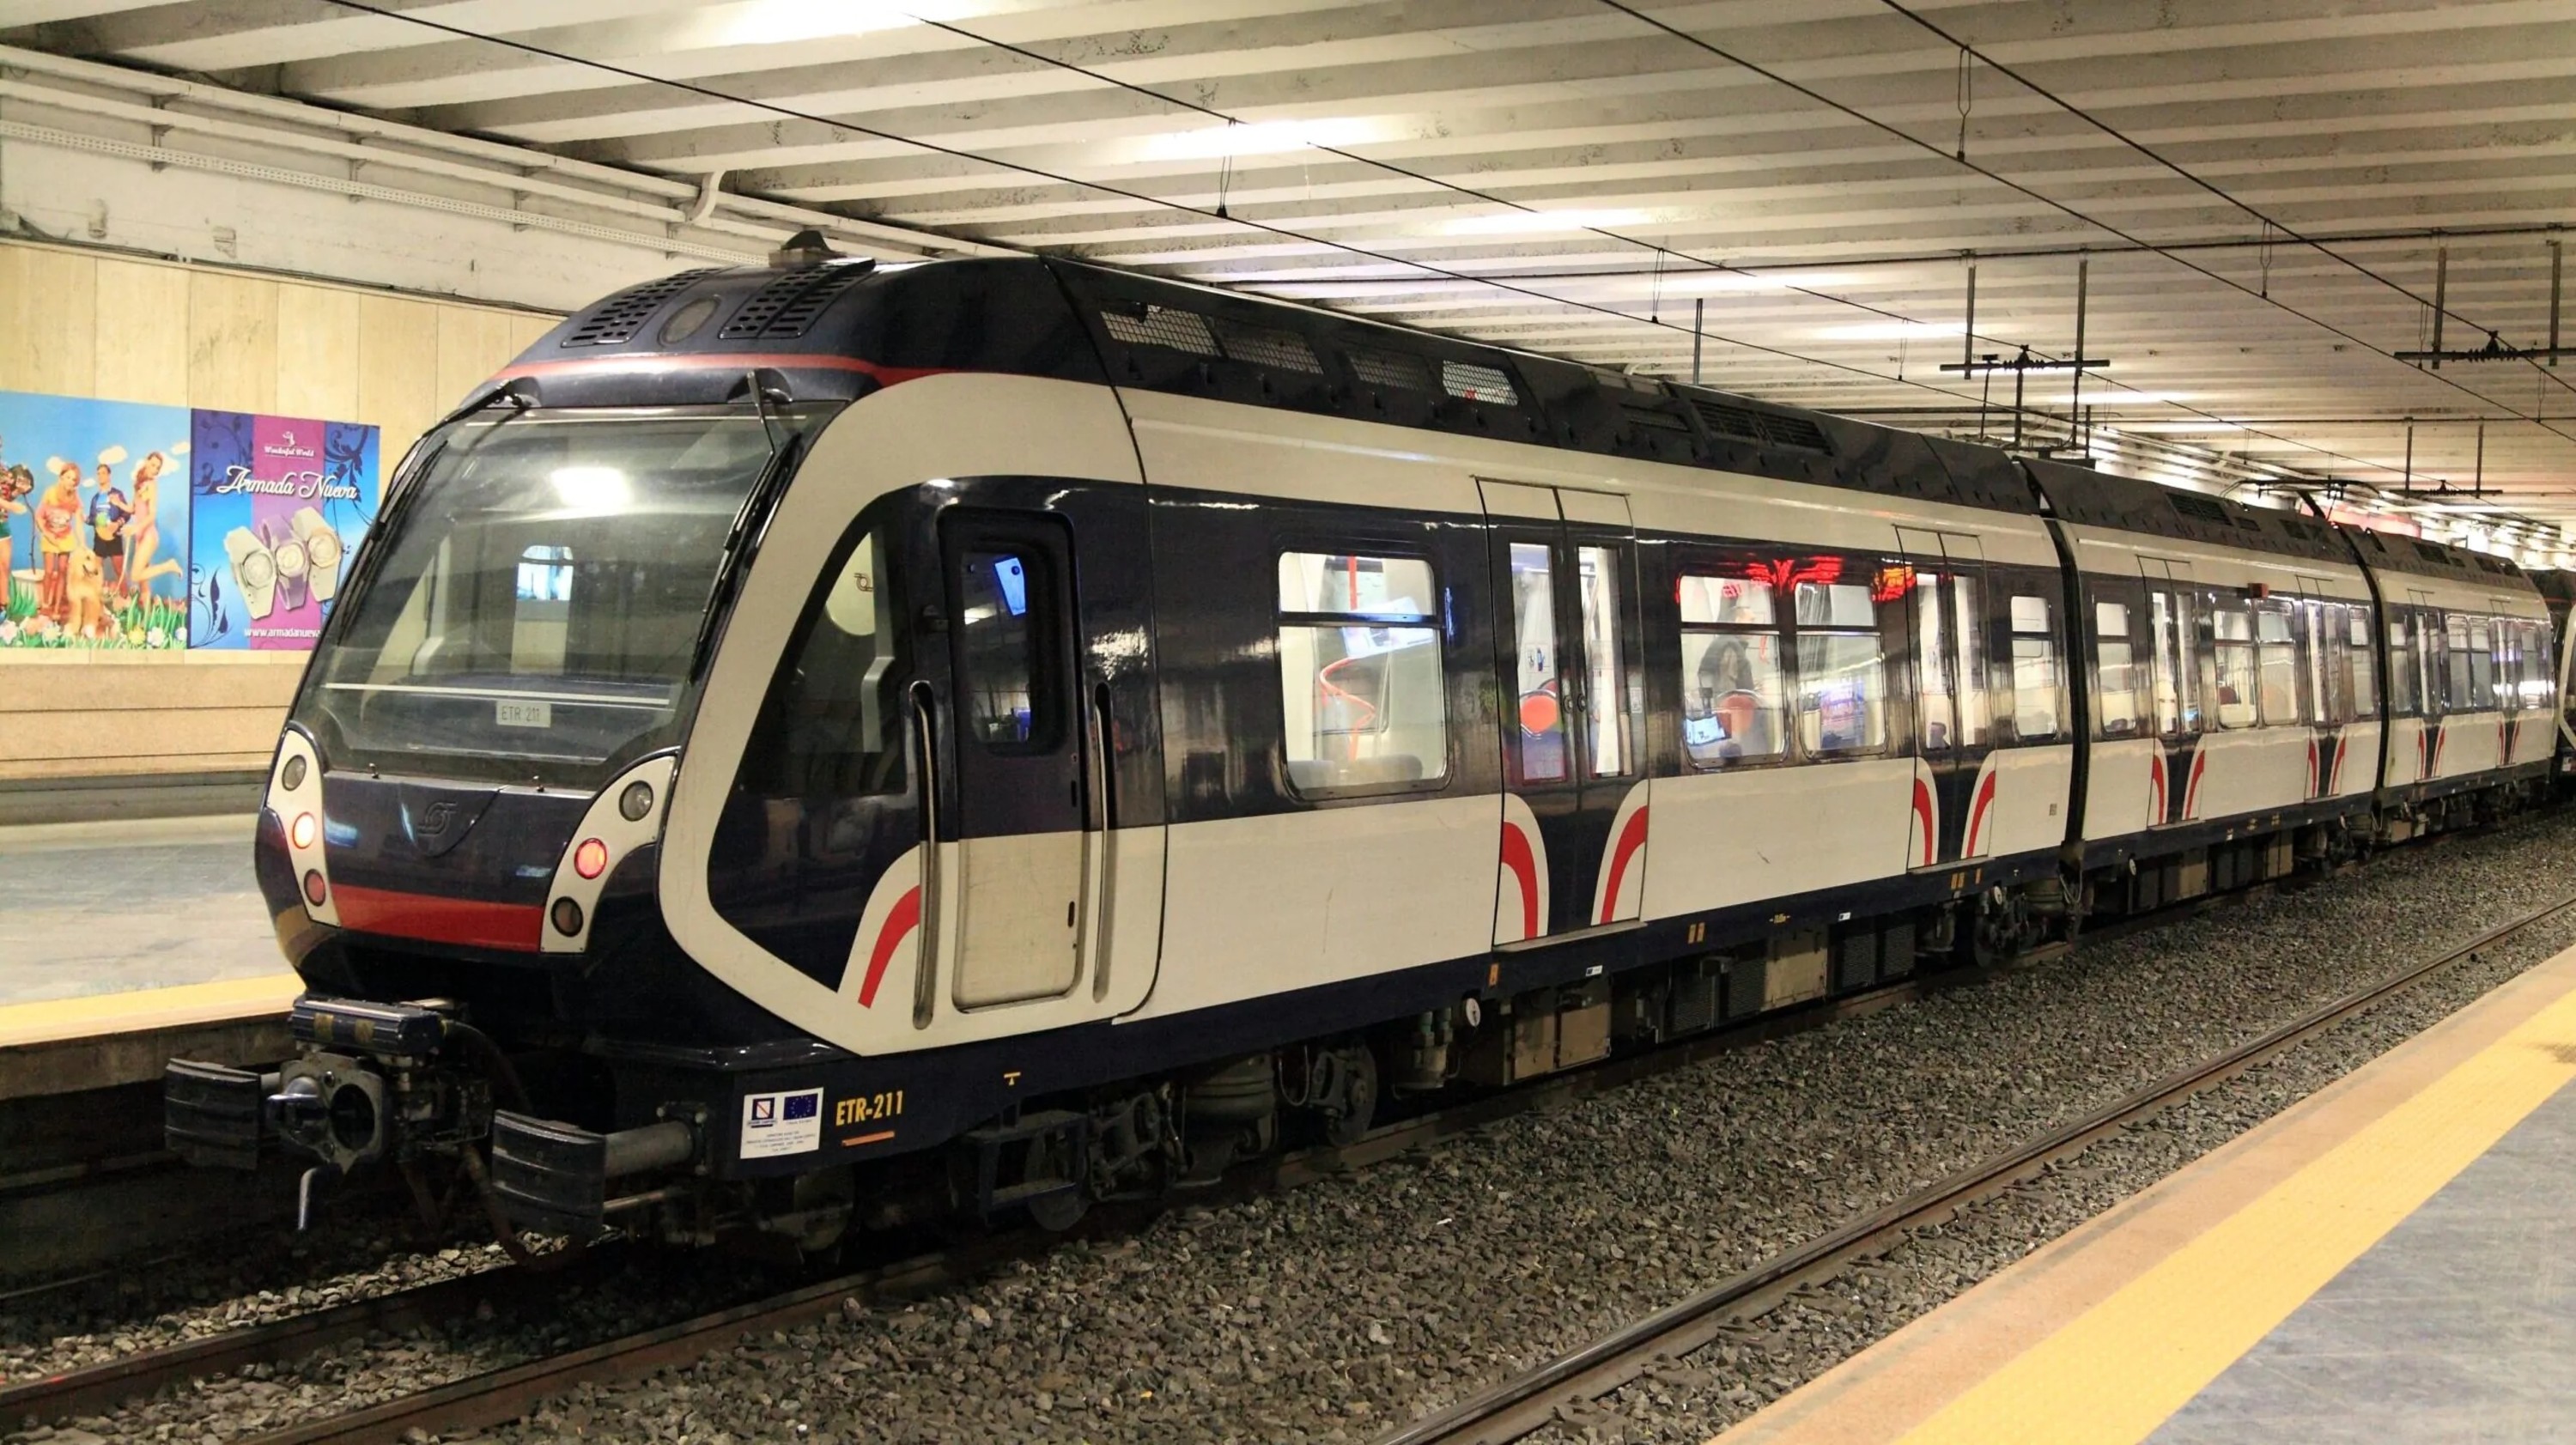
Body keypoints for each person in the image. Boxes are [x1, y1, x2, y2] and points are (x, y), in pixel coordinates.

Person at [125, 452, 181, 599]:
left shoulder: (151, 485)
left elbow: (152, 515)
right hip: (140, 537)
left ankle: (169, 565)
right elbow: (133, 509)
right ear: (146, 461)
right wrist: (117, 503)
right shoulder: (139, 484)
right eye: (153, 465)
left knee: (136, 575)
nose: (155, 469)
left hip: (149, 535)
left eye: (158, 467)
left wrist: (135, 528)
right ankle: (146, 618)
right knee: (143, 581)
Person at [34, 460, 81, 625]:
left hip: (65, 537)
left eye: (74, 479)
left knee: (62, 570)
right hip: (50, 536)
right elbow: (39, 516)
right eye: (68, 477)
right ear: (61, 477)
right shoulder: (50, 493)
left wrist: (82, 544)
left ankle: (56, 607)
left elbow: (80, 520)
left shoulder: (75, 498)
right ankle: (45, 605)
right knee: (49, 571)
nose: (70, 481)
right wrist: (47, 534)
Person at [88, 460, 131, 603]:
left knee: (119, 570)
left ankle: (126, 599)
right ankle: (94, 599)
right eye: (98, 474)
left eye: (103, 473)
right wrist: (86, 519)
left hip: (114, 537)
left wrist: (117, 524)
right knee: (95, 570)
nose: (100, 476)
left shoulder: (117, 494)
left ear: (109, 475)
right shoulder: (95, 499)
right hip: (99, 538)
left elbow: (127, 513)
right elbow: (93, 518)